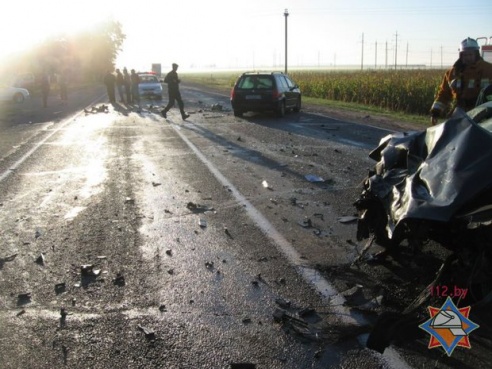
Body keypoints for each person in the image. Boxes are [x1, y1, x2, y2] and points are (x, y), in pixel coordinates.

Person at [430, 37, 492, 125]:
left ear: (476, 54)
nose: (468, 57)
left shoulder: (489, 70)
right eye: (465, 55)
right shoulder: (453, 73)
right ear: (461, 55)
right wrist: (435, 112)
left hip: (483, 114)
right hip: (460, 112)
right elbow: (444, 93)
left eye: (471, 54)